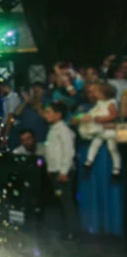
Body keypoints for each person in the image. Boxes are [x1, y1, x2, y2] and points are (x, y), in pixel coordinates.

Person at [43, 102, 80, 240]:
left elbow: (68, 152)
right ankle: (64, 229)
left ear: (58, 115)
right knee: (60, 201)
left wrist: (64, 171)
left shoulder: (64, 130)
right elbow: (51, 151)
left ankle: (72, 231)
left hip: (62, 172)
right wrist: (49, 168)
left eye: (49, 112)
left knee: (66, 202)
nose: (46, 115)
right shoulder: (52, 129)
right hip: (55, 170)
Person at [80, 82, 121, 178]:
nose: (95, 94)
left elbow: (114, 115)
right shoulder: (100, 103)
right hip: (100, 130)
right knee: (95, 144)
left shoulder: (111, 103)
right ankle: (89, 161)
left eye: (97, 92)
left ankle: (116, 168)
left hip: (109, 130)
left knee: (112, 148)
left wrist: (103, 119)